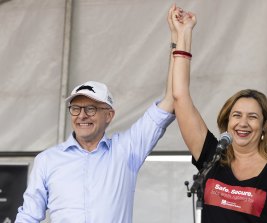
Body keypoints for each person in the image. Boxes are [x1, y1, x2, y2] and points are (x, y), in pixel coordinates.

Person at [15, 6, 178, 221]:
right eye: (76, 108)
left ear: (108, 115)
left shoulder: (126, 150)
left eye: (91, 108)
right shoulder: (47, 160)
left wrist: (178, 37)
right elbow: (28, 216)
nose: (82, 115)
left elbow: (171, 100)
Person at [169, 6, 267, 223]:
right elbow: (180, 97)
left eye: (252, 117)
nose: (243, 123)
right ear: (227, 120)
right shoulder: (212, 156)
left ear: (265, 125)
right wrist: (183, 34)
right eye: (236, 115)